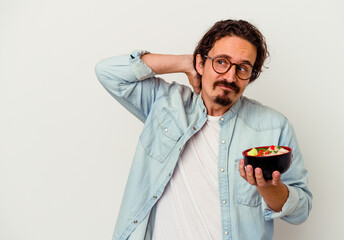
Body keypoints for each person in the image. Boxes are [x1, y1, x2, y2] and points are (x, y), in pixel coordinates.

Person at [95, 19, 312, 240]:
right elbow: (108, 72)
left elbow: (300, 212)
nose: (230, 76)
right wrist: (183, 63)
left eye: (242, 68)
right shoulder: (164, 104)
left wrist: (267, 188)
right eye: (221, 62)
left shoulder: (274, 126)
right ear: (201, 63)